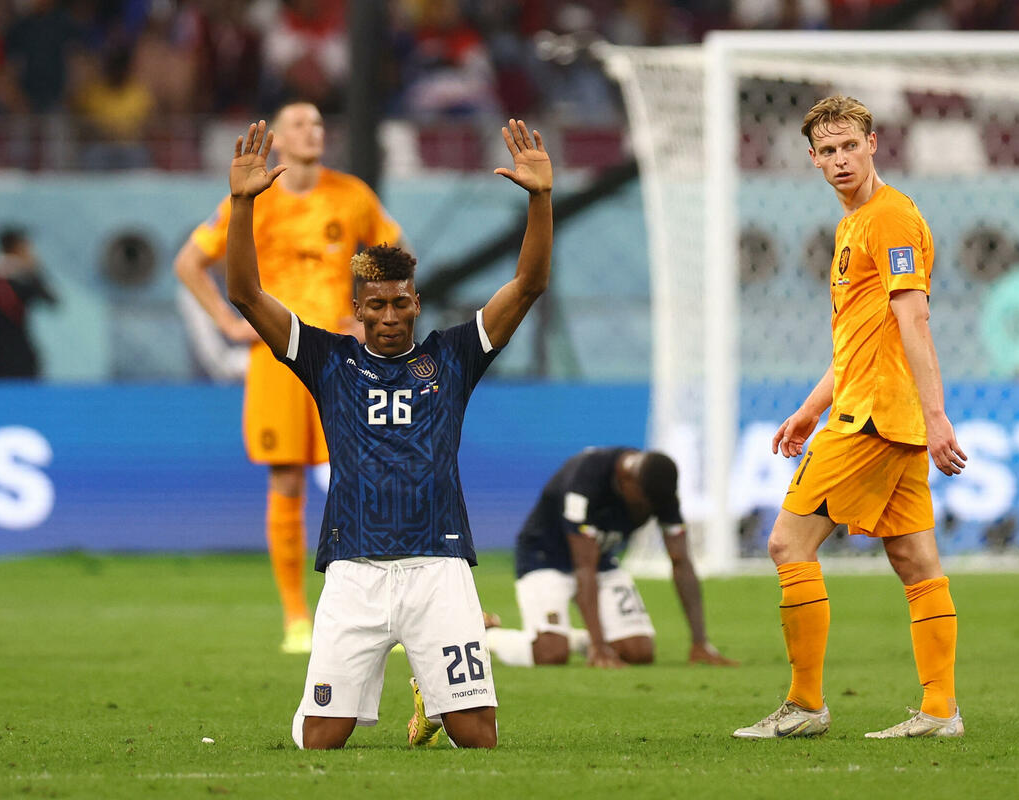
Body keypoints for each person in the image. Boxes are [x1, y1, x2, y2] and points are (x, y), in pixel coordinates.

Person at [224, 117, 552, 749]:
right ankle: (385, 687)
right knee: (321, 739)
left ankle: (434, 695)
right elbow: (244, 293)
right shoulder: (328, 361)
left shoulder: (453, 356)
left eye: (401, 302)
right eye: (376, 304)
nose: (390, 315)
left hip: (439, 563)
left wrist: (540, 199)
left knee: (478, 738)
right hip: (354, 566)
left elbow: (529, 284)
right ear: (358, 309)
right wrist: (242, 205)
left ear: (417, 303)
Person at [732, 95, 967, 740]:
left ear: (873, 146)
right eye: (827, 150)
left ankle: (805, 705)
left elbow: (914, 319)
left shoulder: (890, 218)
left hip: (873, 417)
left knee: (788, 544)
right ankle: (940, 711)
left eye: (849, 146)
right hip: (880, 412)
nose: (840, 159)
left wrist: (937, 416)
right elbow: (859, 340)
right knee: (914, 559)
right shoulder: (853, 224)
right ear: (813, 158)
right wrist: (809, 410)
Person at [174, 101, 403, 654]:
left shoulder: (351, 195)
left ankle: (379, 616)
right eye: (300, 124)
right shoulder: (256, 199)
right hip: (276, 358)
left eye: (319, 123)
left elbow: (396, 257)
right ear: (277, 137)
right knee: (287, 481)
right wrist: (227, 324)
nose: (313, 131)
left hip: (340, 359)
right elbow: (189, 263)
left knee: (364, 479)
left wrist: (369, 314)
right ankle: (296, 618)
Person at [484, 447, 738, 669]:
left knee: (638, 653)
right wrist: (598, 646)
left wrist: (700, 642)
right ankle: (489, 636)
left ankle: (574, 639)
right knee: (550, 654)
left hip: (600, 558)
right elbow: (584, 566)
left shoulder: (656, 488)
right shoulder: (585, 481)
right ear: (627, 482)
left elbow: (681, 560)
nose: (646, 510)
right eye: (643, 503)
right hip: (544, 558)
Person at [0, 226, 58, 380]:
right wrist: (35, 272)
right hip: (23, 358)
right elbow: (53, 302)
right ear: (17, 249)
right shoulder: (25, 281)